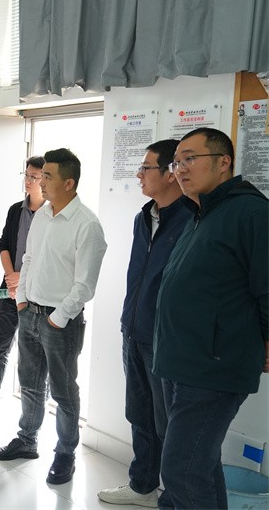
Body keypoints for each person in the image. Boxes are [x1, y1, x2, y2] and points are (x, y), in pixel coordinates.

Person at [154, 127, 268, 509]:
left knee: (181, 470)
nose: (181, 169)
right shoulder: (200, 213)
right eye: (177, 162)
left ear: (224, 163)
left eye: (190, 158)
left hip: (212, 366)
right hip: (180, 361)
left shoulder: (251, 212)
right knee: (198, 465)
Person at [0, 148, 107, 486]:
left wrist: (58, 317)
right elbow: (28, 259)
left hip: (60, 322)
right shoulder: (42, 215)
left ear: (69, 183)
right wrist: (22, 301)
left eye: (48, 176)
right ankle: (27, 440)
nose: (40, 182)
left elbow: (85, 285)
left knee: (63, 391)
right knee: (29, 383)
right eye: (40, 176)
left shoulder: (87, 225)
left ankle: (65, 454)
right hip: (29, 313)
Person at [97, 139, 190, 508]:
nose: (139, 175)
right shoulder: (143, 217)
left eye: (146, 168)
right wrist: (128, 321)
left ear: (169, 174)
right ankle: (142, 486)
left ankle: (175, 495)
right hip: (134, 330)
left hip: (165, 338)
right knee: (139, 413)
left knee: (170, 424)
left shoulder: (191, 219)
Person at [0, 156, 46, 417]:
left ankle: (34, 407)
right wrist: (11, 276)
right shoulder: (16, 210)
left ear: (45, 179)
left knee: (34, 353)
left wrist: (21, 278)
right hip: (10, 289)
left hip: (36, 293)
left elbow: (47, 256)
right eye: (26, 175)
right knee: (0, 346)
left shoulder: (51, 213)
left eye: (34, 176)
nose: (28, 180)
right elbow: (4, 244)